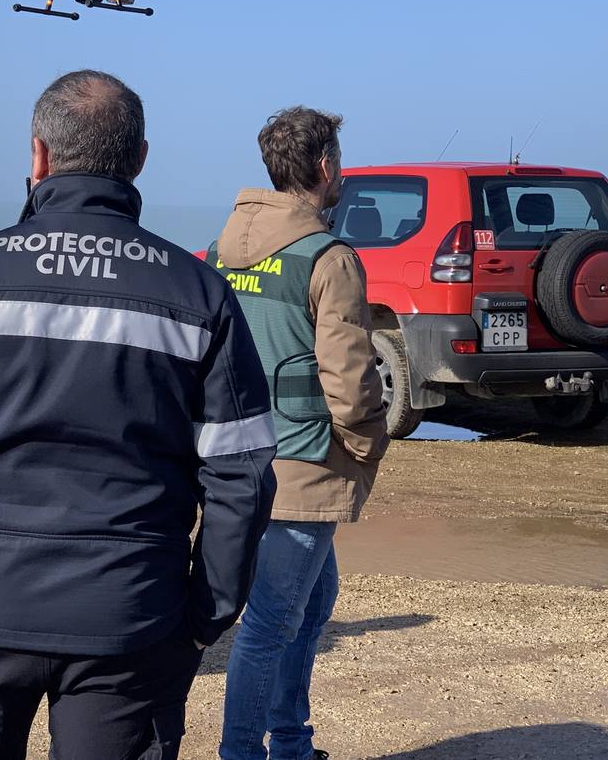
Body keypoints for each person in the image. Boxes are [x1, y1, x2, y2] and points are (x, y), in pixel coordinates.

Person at [0, 70, 278, 760]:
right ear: (138, 159)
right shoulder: (199, 293)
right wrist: (205, 613)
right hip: (132, 613)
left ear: (39, 157)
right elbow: (244, 476)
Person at [211, 108, 389, 760]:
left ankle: (289, 743)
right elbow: (350, 378)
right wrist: (368, 445)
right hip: (303, 467)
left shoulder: (218, 250)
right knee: (271, 623)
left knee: (314, 605)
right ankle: (246, 753)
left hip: (238, 462)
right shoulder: (328, 257)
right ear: (324, 167)